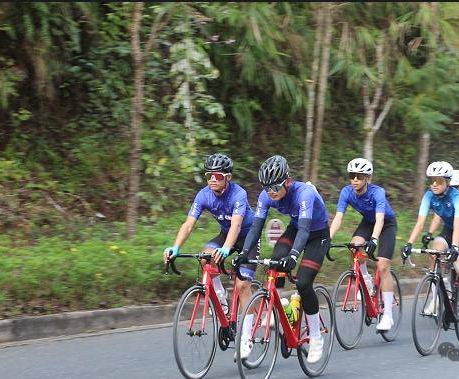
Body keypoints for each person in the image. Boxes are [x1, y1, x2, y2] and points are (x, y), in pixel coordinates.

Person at [234, 155, 330, 364]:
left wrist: (294, 255)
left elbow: (305, 230)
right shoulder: (266, 195)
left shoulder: (304, 193)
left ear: (287, 181)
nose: (271, 192)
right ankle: (281, 306)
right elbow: (256, 228)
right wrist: (243, 253)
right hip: (296, 228)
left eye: (275, 187)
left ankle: (315, 337)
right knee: (275, 260)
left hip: (317, 234)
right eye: (266, 187)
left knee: (304, 282)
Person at [162, 153, 259, 358]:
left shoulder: (238, 194)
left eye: (217, 175)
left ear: (228, 177)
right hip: (226, 234)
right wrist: (175, 247)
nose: (212, 179)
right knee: (205, 256)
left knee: (242, 286)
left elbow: (237, 225)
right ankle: (221, 299)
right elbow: (188, 224)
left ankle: (246, 337)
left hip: (247, 236)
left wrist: (226, 248)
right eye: (209, 175)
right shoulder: (203, 195)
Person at [401, 161, 459, 326]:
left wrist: (455, 247)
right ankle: (437, 294)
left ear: (448, 182)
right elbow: (420, 223)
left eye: (439, 181)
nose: (434, 184)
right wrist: (409, 243)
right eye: (432, 180)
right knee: (434, 252)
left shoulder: (457, 197)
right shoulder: (429, 195)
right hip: (449, 229)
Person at [329, 158, 398, 331]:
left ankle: (388, 315)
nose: (355, 179)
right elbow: (338, 217)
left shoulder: (377, 192)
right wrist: (327, 238)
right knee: (354, 247)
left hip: (386, 224)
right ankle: (366, 279)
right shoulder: (346, 192)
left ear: (368, 178)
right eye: (352, 175)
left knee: (382, 267)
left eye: (359, 176)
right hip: (368, 221)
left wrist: (374, 240)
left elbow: (380, 219)